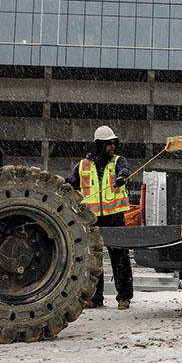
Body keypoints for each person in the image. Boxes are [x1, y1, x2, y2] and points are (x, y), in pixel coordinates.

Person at [65, 125, 134, 310]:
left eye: (114, 143)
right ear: (99, 145)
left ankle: (124, 297)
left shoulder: (119, 161)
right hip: (92, 218)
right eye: (109, 144)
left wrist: (122, 178)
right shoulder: (83, 166)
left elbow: (124, 170)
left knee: (120, 257)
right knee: (94, 259)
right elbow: (69, 184)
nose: (112, 147)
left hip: (115, 215)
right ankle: (95, 298)